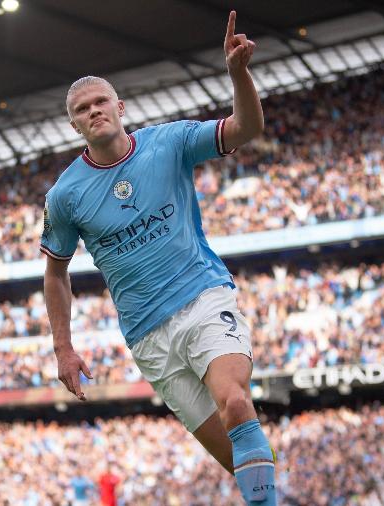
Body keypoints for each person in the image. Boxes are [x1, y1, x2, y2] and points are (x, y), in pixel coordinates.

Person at [42, 10, 275, 505]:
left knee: (236, 401)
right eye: (82, 109)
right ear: (74, 124)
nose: (94, 111)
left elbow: (246, 128)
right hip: (149, 336)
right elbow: (55, 271)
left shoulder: (168, 142)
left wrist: (239, 74)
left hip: (202, 297)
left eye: (101, 101)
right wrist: (63, 347)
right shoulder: (65, 196)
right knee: (239, 462)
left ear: (120, 105)